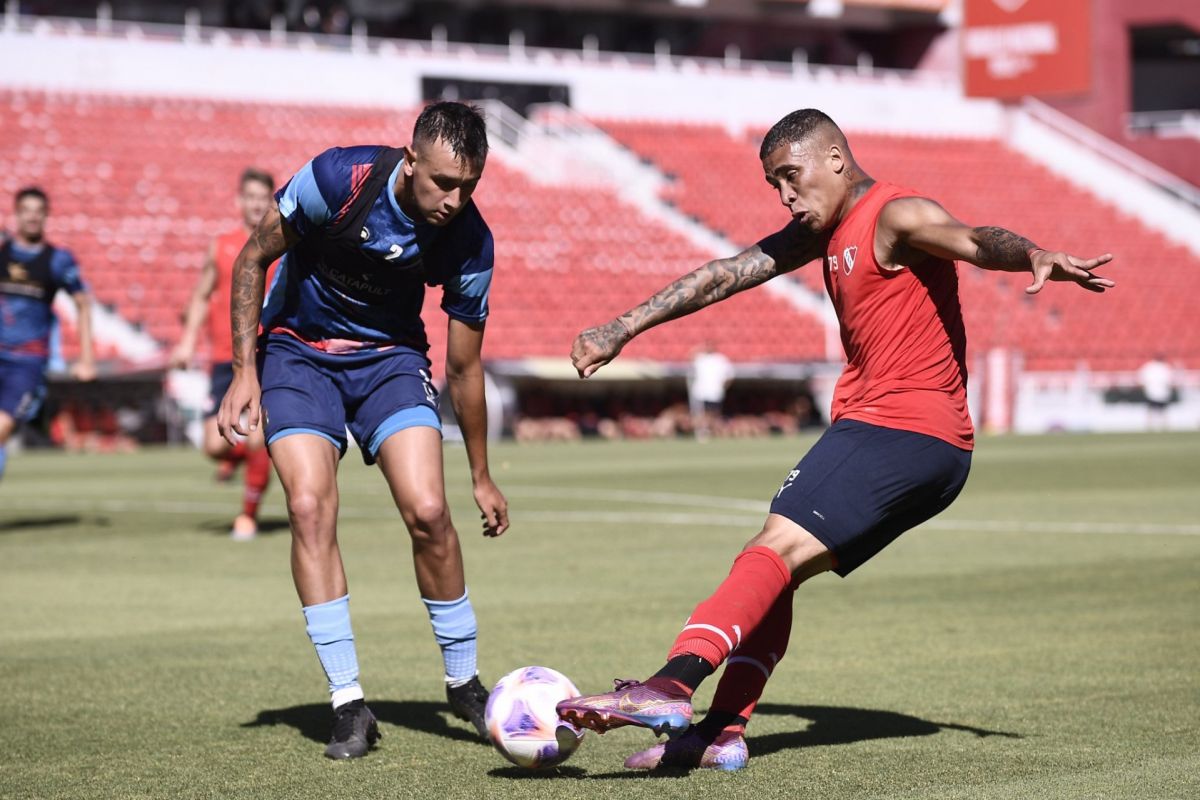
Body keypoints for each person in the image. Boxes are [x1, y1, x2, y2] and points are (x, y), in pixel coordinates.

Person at [557, 109, 1114, 771]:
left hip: (902, 427)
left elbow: (967, 237)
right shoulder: (822, 231)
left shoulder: (893, 214)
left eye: (791, 177)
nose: (786, 196)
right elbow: (726, 272)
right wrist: (623, 328)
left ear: (836, 162)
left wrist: (1031, 253)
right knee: (774, 571)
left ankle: (669, 684)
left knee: (771, 550)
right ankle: (718, 736)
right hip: (928, 446)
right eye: (774, 186)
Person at [217, 102, 510, 760]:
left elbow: (464, 367)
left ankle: (463, 683)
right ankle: (348, 702)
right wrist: (244, 372)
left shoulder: (469, 239)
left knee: (431, 512)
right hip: (297, 355)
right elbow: (250, 259)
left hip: (390, 362)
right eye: (442, 183)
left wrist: (482, 476)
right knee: (308, 505)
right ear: (410, 163)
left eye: (470, 186)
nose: (454, 200)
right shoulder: (336, 180)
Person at [170, 168, 277, 539]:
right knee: (214, 445)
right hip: (223, 358)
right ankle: (250, 460)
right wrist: (186, 340)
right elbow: (201, 295)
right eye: (250, 197)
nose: (256, 203)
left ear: (271, 200)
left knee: (257, 434)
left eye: (263, 197)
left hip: (267, 355)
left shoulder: (284, 244)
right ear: (239, 201)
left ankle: (248, 515)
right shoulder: (221, 246)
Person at [1, 187, 97, 482]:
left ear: (45, 215)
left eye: (37, 211)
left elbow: (82, 303)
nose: (31, 216)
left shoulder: (58, 260)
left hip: (27, 363)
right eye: (26, 210)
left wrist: (86, 358)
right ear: (16, 214)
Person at [689, 340, 734, 439]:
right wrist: (698, 348)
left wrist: (723, 386)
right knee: (702, 413)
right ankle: (702, 431)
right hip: (701, 392)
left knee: (714, 413)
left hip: (715, 392)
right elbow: (690, 358)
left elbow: (729, 375)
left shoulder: (721, 359)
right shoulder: (700, 358)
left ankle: (712, 431)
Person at [1137, 353, 1173, 431]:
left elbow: (1141, 378)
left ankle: (1151, 426)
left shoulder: (1150, 366)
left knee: (1153, 409)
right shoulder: (1163, 367)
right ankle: (1161, 426)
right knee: (1160, 410)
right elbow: (1169, 380)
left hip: (1153, 391)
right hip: (1158, 391)